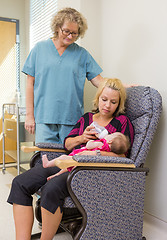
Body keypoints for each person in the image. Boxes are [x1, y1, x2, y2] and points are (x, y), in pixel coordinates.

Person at [7, 78, 134, 240]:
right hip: (69, 161)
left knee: (51, 188)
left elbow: (124, 157)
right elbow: (67, 144)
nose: (107, 105)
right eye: (104, 99)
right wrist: (82, 138)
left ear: (119, 104)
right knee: (20, 183)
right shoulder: (87, 118)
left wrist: (93, 154)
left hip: (89, 171)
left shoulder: (122, 122)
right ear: (98, 98)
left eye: (113, 102)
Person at [23, 7, 103, 144]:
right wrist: (29, 116)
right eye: (66, 31)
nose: (70, 36)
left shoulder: (82, 54)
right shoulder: (39, 49)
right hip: (44, 117)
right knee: (46, 162)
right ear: (57, 27)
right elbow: (30, 83)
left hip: (71, 118)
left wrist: (121, 86)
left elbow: (98, 80)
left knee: (68, 162)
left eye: (75, 33)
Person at [42, 132, 130, 180]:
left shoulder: (101, 144)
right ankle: (56, 175)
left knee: (63, 158)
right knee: (66, 168)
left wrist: (92, 142)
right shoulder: (108, 151)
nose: (108, 134)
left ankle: (48, 164)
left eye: (110, 135)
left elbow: (88, 146)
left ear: (110, 141)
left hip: (79, 157)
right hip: (83, 163)